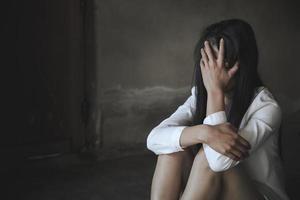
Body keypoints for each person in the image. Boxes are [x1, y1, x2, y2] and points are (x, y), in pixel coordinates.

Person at [146, 19, 290, 200]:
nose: (213, 70)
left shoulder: (266, 107)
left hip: (255, 194)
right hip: (216, 190)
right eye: (208, 61)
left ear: (240, 64)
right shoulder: (199, 97)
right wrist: (204, 133)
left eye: (220, 61)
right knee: (171, 151)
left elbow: (218, 162)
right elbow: (154, 139)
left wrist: (216, 91)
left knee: (207, 157)